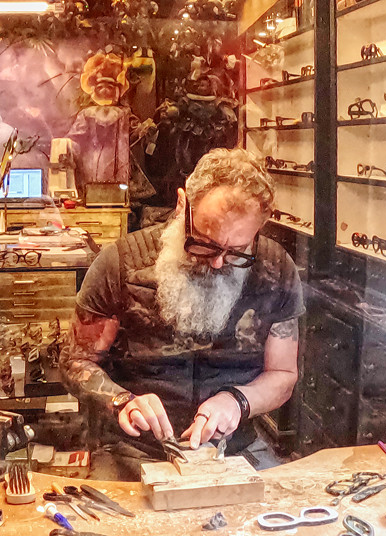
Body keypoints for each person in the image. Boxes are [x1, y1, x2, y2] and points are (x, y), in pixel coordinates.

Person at [60, 148, 303, 461]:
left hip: (234, 450)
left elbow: (283, 373)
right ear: (182, 205)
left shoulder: (275, 269)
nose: (217, 263)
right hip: (133, 448)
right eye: (203, 242)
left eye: (237, 250)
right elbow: (75, 361)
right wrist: (121, 400)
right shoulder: (121, 264)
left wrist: (238, 401)